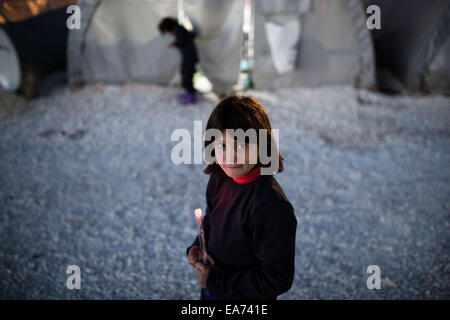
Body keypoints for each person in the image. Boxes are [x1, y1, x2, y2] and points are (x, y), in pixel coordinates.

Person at [186, 95, 297, 300]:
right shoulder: (220, 179)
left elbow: (277, 278)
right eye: (222, 146)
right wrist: (198, 247)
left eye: (242, 145)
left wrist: (216, 279)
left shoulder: (270, 206)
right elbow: (212, 221)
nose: (230, 156)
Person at [158, 17, 198, 105]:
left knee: (187, 75)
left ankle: (191, 96)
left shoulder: (179, 29)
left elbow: (182, 41)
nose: (168, 34)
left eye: (166, 31)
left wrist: (174, 43)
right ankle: (189, 93)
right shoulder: (180, 28)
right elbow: (191, 36)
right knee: (186, 74)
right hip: (189, 56)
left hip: (189, 57)